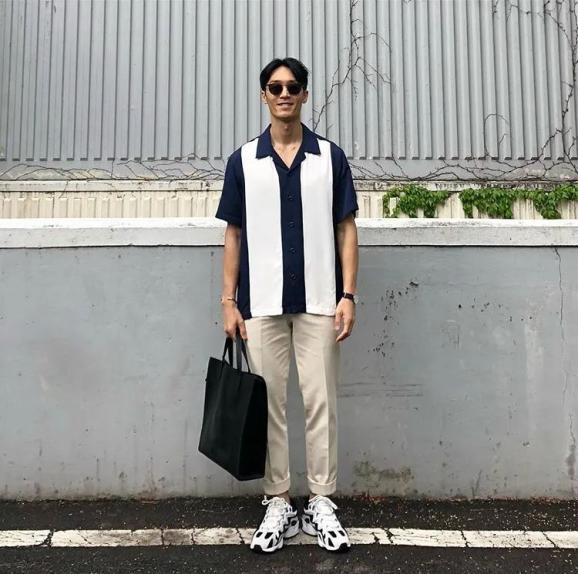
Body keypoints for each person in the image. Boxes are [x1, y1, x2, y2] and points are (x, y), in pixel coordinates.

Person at [215, 57, 359, 554]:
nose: (284, 94)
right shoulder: (243, 161)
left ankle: (320, 501)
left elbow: (346, 228)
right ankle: (277, 501)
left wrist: (348, 295)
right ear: (264, 95)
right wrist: (228, 300)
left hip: (321, 302)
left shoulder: (330, 158)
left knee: (321, 404)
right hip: (260, 305)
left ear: (304, 95)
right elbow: (233, 234)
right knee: (269, 408)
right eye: (275, 87)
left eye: (292, 86)